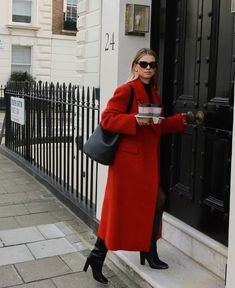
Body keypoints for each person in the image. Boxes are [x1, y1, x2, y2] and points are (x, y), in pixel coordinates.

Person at [83, 48, 187, 284]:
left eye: (152, 64)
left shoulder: (153, 93)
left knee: (155, 202)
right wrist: (133, 120)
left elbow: (156, 127)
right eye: (144, 63)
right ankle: (98, 255)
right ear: (135, 66)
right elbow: (107, 118)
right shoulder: (127, 90)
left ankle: (148, 251)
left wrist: (182, 120)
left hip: (147, 162)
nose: (148, 67)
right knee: (118, 212)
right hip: (127, 164)